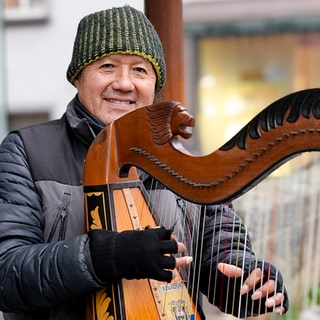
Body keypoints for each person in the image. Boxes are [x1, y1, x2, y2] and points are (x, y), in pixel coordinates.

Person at [0, 5, 288, 319]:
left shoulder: (187, 167)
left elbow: (222, 255)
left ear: (154, 85)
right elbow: (7, 274)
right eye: (108, 66)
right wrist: (105, 257)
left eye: (140, 70)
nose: (124, 83)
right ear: (78, 77)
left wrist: (248, 285)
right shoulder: (26, 151)